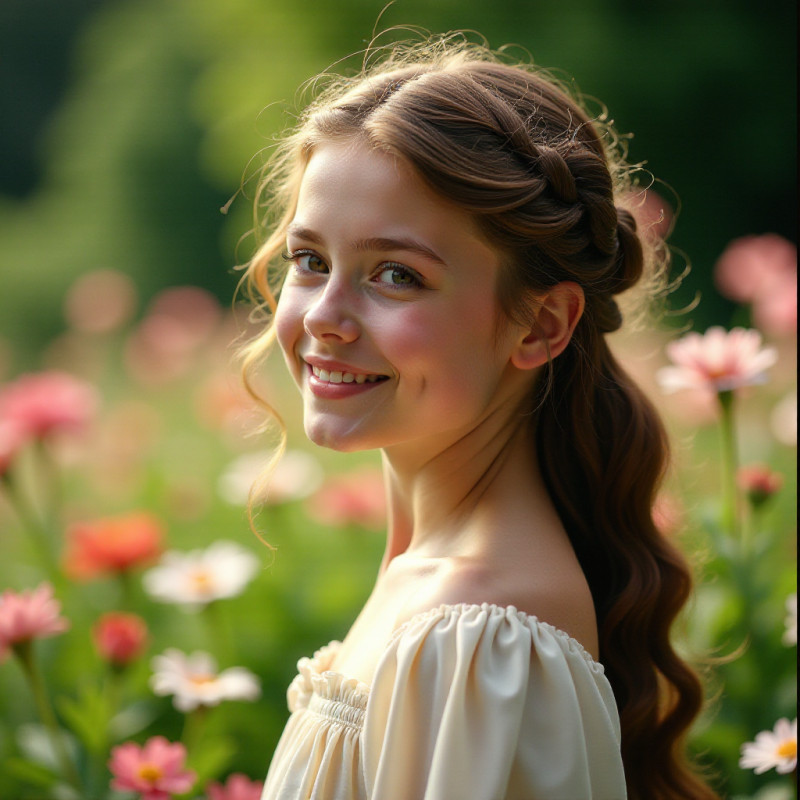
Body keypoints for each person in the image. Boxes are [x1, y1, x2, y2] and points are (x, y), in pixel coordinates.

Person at [240, 34, 717, 800]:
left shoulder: (477, 633)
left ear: (539, 326)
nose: (325, 317)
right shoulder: (431, 582)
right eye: (310, 260)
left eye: (396, 275)